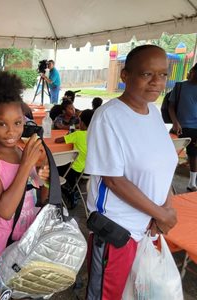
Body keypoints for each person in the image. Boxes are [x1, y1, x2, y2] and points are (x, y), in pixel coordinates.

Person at [85, 45, 178, 300]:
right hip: (118, 230)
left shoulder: (155, 113)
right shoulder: (108, 117)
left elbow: (164, 166)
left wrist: (164, 211)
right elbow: (114, 180)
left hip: (149, 226)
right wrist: (160, 213)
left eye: (163, 75)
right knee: (109, 295)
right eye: (147, 74)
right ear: (125, 76)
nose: (157, 82)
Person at [0, 71, 50, 300]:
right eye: (2, 124)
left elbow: (40, 194)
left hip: (27, 234)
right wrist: (26, 164)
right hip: (1, 238)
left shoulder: (22, 151)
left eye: (17, 123)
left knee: (22, 285)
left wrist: (43, 174)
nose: (11, 131)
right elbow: (5, 209)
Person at [55, 109, 94, 208]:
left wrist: (70, 135)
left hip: (74, 169)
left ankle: (67, 190)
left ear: (81, 123)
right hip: (89, 170)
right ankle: (73, 188)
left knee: (56, 166)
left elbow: (58, 140)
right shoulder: (96, 135)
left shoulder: (77, 134)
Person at [169, 63, 197, 191]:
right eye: (194, 73)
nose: (194, 76)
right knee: (170, 154)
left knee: (193, 154)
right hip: (179, 127)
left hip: (195, 129)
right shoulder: (180, 86)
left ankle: (192, 183)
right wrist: (175, 122)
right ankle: (166, 180)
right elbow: (171, 106)